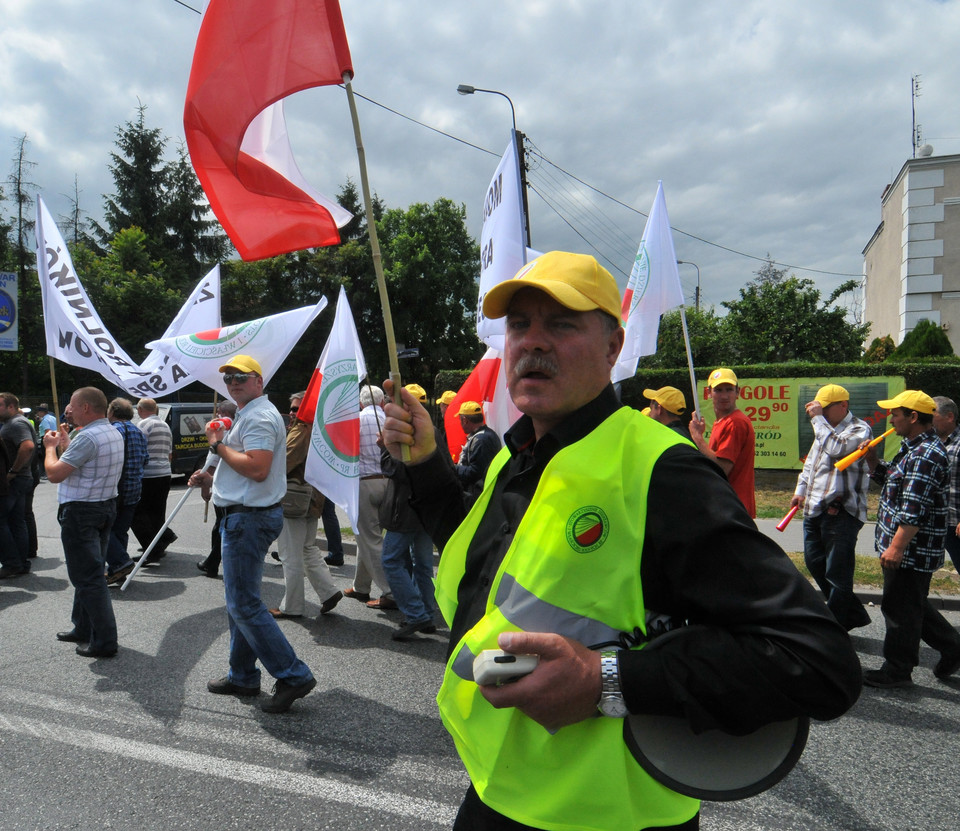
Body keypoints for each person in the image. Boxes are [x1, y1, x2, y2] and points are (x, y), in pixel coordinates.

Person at [381, 251, 861, 831]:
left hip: (609, 815)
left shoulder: (663, 470)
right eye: (519, 325)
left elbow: (818, 662)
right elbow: (476, 561)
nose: (533, 342)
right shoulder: (518, 452)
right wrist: (428, 462)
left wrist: (605, 681)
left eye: (561, 324)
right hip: (502, 787)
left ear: (613, 349)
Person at [188, 355, 316, 713]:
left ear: (258, 380)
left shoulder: (258, 415)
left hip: (248, 519)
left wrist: (216, 445)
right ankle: (243, 674)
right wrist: (211, 477)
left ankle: (292, 674)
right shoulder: (250, 413)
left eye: (240, 377)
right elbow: (246, 468)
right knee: (239, 602)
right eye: (228, 379)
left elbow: (258, 469)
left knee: (243, 603)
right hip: (245, 515)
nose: (232, 383)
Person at [861, 389, 960, 688]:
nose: (891, 419)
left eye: (895, 414)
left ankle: (898, 670)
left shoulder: (926, 454)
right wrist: (873, 461)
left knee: (898, 608)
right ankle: (953, 647)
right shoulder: (912, 447)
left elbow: (914, 509)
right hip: (908, 547)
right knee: (910, 603)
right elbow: (894, 479)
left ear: (913, 417)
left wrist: (896, 547)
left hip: (911, 549)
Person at [43, 387, 124, 658]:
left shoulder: (88, 436)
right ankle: (83, 627)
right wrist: (67, 444)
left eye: (72, 406)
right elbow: (83, 464)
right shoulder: (112, 430)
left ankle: (104, 641)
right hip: (103, 507)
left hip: (82, 512)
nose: (69, 410)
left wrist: (51, 448)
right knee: (89, 571)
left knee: (88, 577)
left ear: (86, 408)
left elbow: (54, 474)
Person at [789, 384, 873, 631]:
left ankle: (834, 629)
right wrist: (800, 491)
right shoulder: (824, 428)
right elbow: (811, 464)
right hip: (815, 508)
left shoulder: (859, 429)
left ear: (843, 405)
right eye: (819, 409)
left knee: (837, 573)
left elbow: (836, 448)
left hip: (842, 512)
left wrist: (817, 419)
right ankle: (854, 614)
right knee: (815, 562)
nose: (821, 413)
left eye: (825, 408)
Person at [270, 391, 343, 620]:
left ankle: (292, 606)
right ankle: (329, 592)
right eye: (291, 408)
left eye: (296, 408)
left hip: (295, 499)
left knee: (290, 554)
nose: (292, 412)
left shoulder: (302, 430)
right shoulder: (320, 429)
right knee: (307, 548)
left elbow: (284, 463)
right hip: (312, 498)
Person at [342, 384, 394, 610]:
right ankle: (361, 586)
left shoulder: (355, 420)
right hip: (389, 482)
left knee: (370, 539)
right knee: (367, 537)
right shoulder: (390, 420)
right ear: (382, 402)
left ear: (361, 403)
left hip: (364, 482)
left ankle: (391, 591)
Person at [689, 367, 756, 517]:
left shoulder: (735, 422)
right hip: (727, 505)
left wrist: (698, 438)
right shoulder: (723, 422)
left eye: (729, 389)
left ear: (738, 392)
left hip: (731, 508)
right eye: (718, 390)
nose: (724, 396)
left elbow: (721, 468)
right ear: (708, 393)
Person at [105, 398, 150, 585]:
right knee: (121, 530)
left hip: (116, 489)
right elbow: (145, 459)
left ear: (112, 411)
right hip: (134, 488)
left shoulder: (113, 431)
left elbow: (107, 461)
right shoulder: (138, 431)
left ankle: (120, 562)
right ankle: (118, 570)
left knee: (103, 530)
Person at [131, 398, 177, 564]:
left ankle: (155, 547)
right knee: (157, 512)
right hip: (164, 472)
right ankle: (160, 541)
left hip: (149, 474)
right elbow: (170, 454)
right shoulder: (165, 426)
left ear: (141, 410)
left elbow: (138, 449)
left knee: (141, 513)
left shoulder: (143, 425)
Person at [197, 400, 236, 578]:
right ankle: (213, 562)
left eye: (219, 413)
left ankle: (212, 563)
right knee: (222, 526)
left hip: (223, 489)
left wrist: (206, 486)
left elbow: (211, 463)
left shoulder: (221, 433)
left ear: (223, 413)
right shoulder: (238, 430)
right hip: (232, 489)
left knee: (221, 527)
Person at [0, 392, 36, 578]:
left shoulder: (16, 423)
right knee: (16, 521)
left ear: (11, 406)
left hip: (16, 479)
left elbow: (27, 446)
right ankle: (20, 563)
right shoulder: (12, 423)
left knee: (4, 521)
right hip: (20, 478)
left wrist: (13, 471)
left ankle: (12, 563)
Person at [933, 395, 960, 573]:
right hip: (937, 521)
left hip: (956, 523)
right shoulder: (932, 443)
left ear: (949, 417)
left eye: (932, 414)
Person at [454, 401, 502, 496]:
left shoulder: (481, 440)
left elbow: (476, 472)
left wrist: (453, 468)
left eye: (460, 420)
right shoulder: (486, 434)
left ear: (464, 420)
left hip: (477, 495)